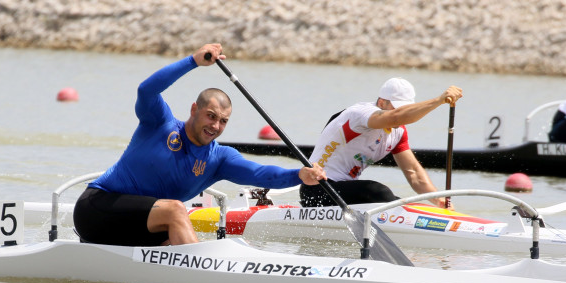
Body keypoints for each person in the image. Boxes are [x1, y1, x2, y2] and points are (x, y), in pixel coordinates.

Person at [73, 43, 326, 247]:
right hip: (96, 210)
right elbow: (146, 91)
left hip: (139, 228)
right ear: (194, 109)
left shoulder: (219, 159)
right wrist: (192, 62)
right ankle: (203, 275)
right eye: (211, 116)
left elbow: (261, 174)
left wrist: (300, 175)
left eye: (223, 121)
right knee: (175, 210)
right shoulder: (159, 123)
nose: (215, 126)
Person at [299, 77, 463, 209]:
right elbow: (396, 117)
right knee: (379, 192)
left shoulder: (398, 132)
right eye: (398, 107)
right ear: (381, 102)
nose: (403, 113)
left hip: (344, 192)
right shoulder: (361, 114)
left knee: (404, 205)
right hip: (317, 189)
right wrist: (439, 100)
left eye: (407, 108)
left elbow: (414, 173)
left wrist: (438, 200)